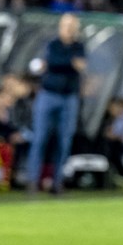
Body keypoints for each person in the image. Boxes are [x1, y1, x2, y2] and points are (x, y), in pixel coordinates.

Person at [26, 13, 86, 194]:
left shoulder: (79, 47)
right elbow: (50, 61)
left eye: (71, 26)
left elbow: (79, 66)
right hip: (48, 95)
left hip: (69, 97)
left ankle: (57, 182)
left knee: (64, 140)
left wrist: (55, 64)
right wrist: (68, 63)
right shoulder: (52, 44)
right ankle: (32, 181)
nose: (68, 29)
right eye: (65, 25)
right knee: (40, 139)